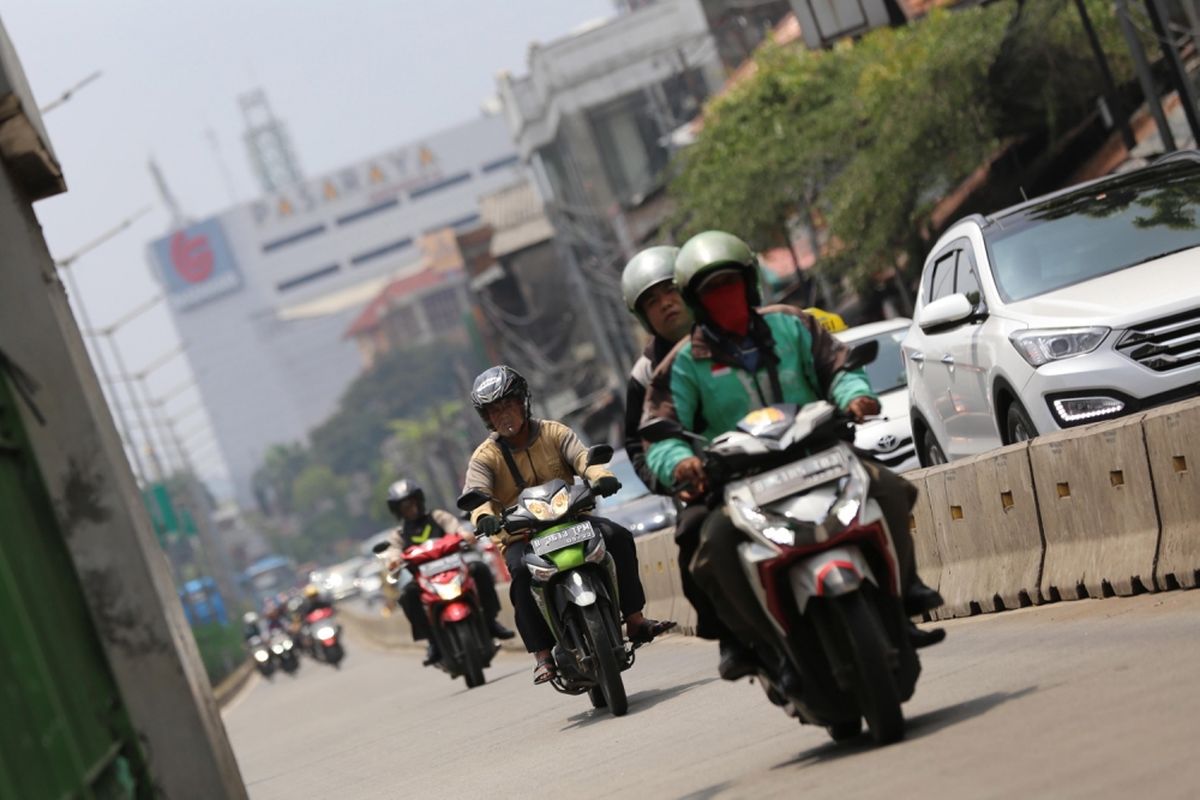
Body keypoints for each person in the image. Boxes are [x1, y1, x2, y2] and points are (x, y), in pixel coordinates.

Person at [642, 230, 945, 688]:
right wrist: (680, 462)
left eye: (731, 283)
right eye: (711, 291)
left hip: (821, 456)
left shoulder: (793, 324)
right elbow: (660, 433)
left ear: (749, 283)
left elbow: (839, 368)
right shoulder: (682, 365)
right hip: (736, 483)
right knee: (711, 546)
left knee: (890, 488)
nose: (725, 297)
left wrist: (856, 397)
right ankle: (763, 646)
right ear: (697, 301)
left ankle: (903, 596)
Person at [463, 365, 675, 685]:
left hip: (574, 521)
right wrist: (484, 517)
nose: (503, 415)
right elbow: (477, 493)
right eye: (495, 410)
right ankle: (543, 656)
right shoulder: (485, 457)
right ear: (487, 419)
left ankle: (634, 619)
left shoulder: (555, 432)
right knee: (520, 574)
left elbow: (583, 459)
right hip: (523, 536)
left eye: (508, 404)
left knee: (619, 536)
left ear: (523, 402)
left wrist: (601, 477)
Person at [620, 246, 751, 679]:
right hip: (710, 481)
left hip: (781, 452)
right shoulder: (647, 376)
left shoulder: (746, 330)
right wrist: (673, 477)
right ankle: (731, 636)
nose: (666, 303)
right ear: (643, 316)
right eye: (652, 301)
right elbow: (642, 445)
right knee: (695, 537)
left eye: (671, 291)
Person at [379, 478, 515, 665]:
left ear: (419, 501)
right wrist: (393, 560)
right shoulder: (399, 534)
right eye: (404, 507)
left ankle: (491, 622)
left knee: (480, 569)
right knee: (408, 595)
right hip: (424, 580)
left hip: (456, 569)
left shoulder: (438, 517)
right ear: (398, 511)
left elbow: (455, 527)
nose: (409, 508)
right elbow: (393, 550)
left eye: (411, 503)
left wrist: (464, 534)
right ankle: (432, 642)